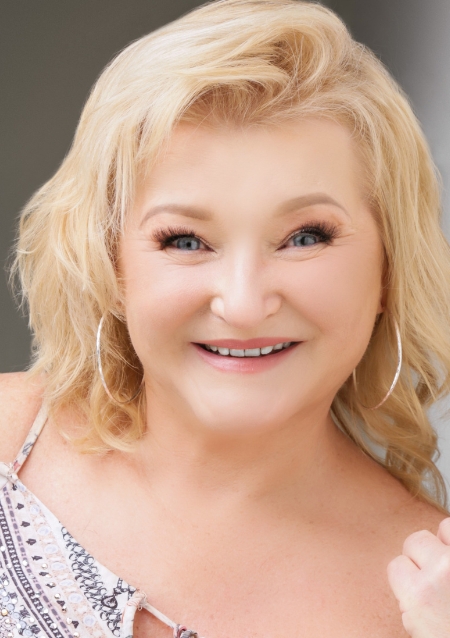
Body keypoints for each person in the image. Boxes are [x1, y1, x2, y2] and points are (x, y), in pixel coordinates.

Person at [1, 0, 450, 636]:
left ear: (388, 267)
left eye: (305, 237)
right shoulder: (7, 442)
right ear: (108, 265)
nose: (242, 305)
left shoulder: (430, 599)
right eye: (185, 241)